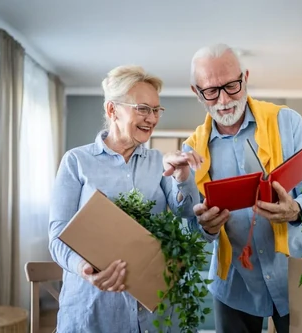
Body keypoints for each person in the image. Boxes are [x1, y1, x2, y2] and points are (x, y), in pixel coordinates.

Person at [183, 43, 302, 333]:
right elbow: (192, 229)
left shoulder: (287, 122)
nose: (224, 100)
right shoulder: (191, 150)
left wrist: (297, 209)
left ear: (246, 76)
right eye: (211, 91)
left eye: (232, 86)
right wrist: (207, 228)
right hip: (234, 284)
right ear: (196, 91)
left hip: (297, 275)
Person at [48, 65, 203, 333]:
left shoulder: (159, 162)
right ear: (112, 110)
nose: (152, 118)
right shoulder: (76, 161)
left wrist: (182, 176)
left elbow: (187, 212)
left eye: (156, 110)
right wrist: (85, 268)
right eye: (142, 108)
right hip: (92, 310)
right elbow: (58, 234)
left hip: (152, 314)